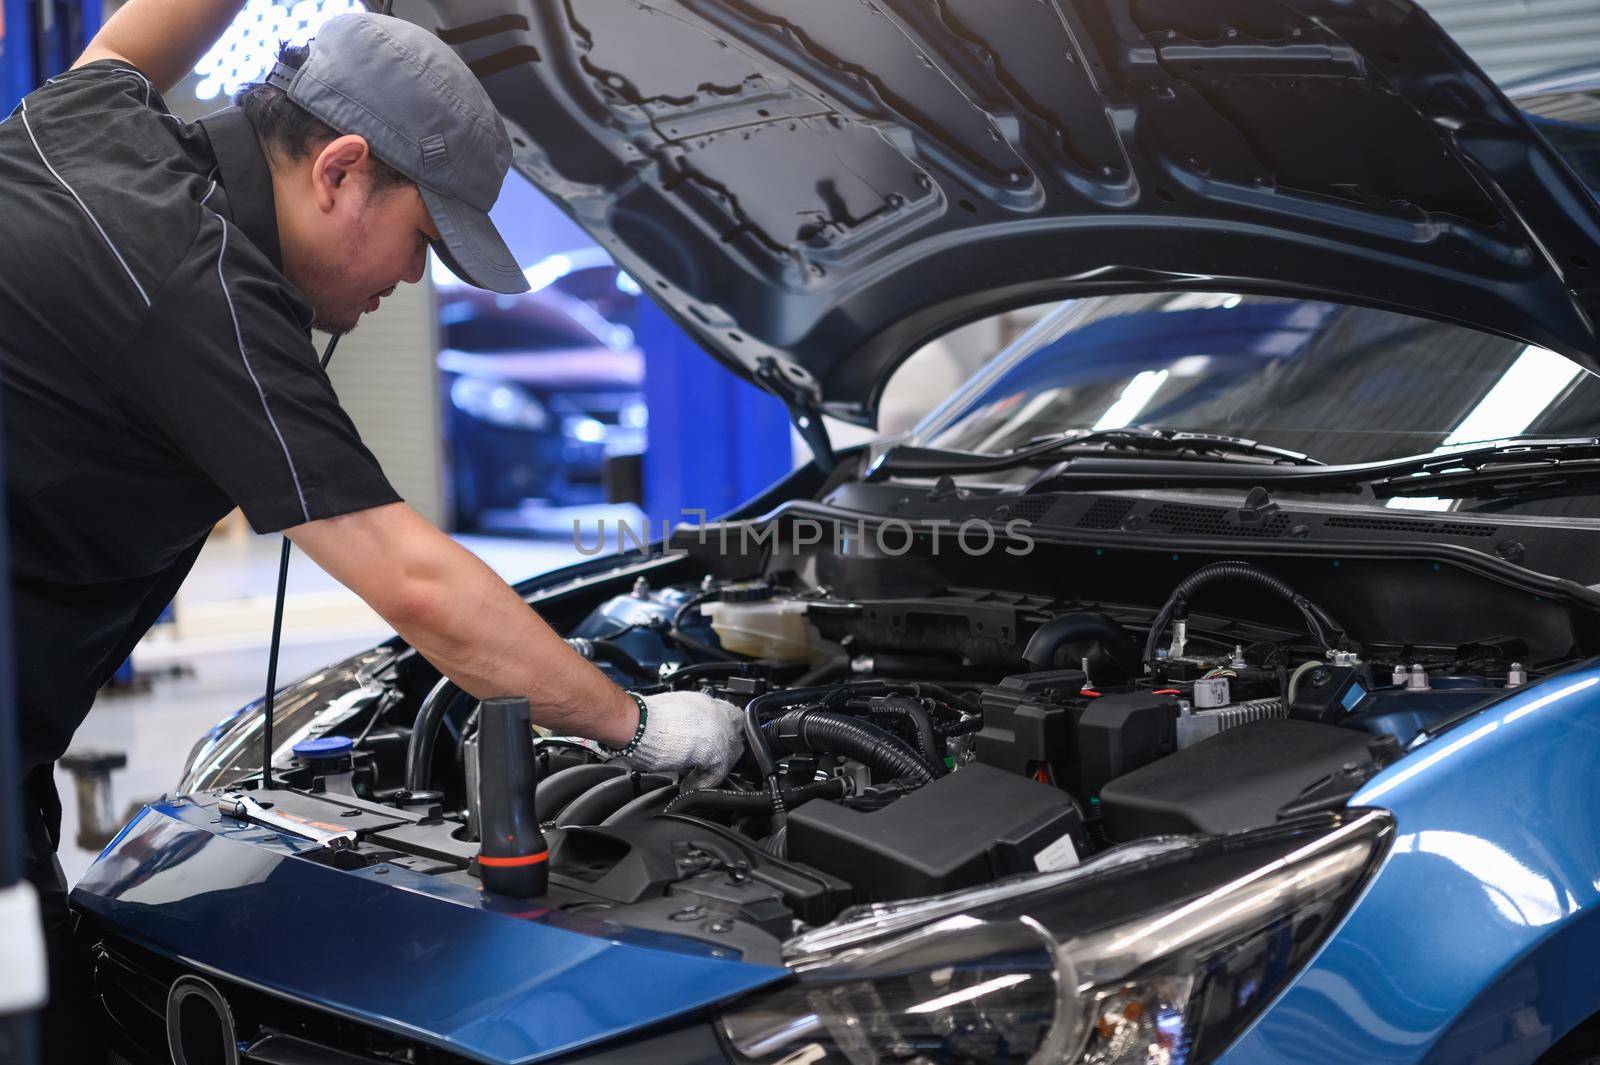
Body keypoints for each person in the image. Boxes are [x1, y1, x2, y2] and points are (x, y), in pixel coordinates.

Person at [0, 3, 744, 1059]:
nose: (411, 282)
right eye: (423, 241)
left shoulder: (93, 115)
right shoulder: (201, 292)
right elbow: (416, 582)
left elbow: (132, 36)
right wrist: (642, 726)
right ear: (341, 170)